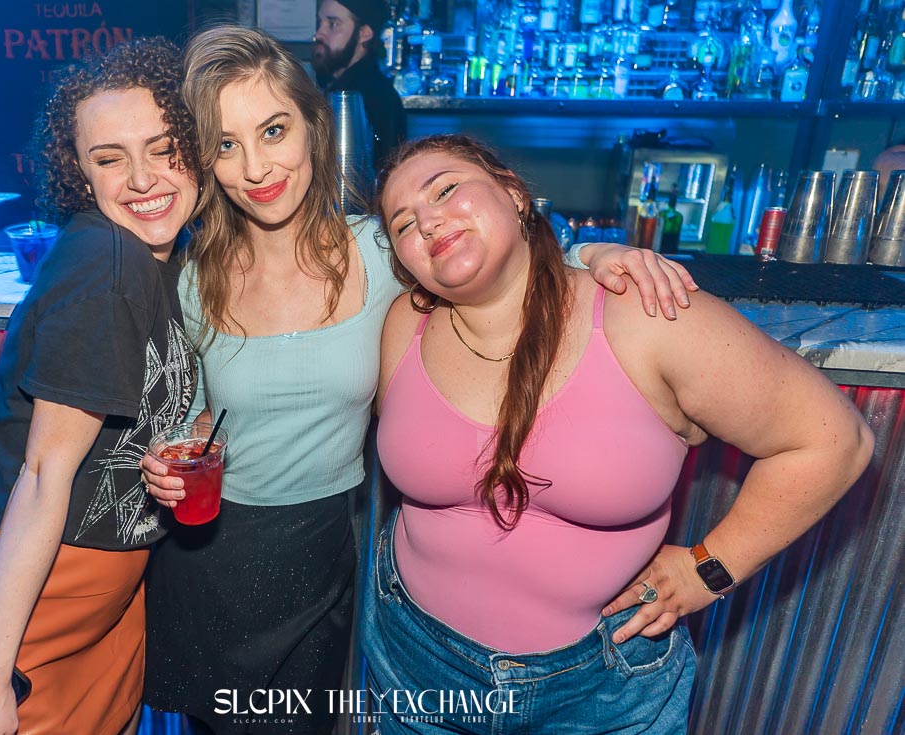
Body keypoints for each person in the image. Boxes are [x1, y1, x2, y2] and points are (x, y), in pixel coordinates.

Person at [140, 26, 699, 735]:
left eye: (273, 130)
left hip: (323, 550)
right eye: (226, 144)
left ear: (312, 127)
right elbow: (193, 413)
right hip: (213, 554)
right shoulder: (194, 278)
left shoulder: (382, 251)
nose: (256, 166)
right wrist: (169, 455)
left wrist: (594, 251)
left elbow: (500, 253)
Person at [362, 134, 875, 734]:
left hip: (600, 688)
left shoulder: (645, 315)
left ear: (513, 193)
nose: (428, 222)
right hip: (415, 659)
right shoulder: (404, 324)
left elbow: (833, 440)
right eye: (403, 224)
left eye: (446, 189)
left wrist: (708, 570)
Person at [0, 37, 201, 735]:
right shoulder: (107, 263)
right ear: (78, 171)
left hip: (106, 588)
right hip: (31, 592)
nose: (141, 178)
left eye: (164, 148)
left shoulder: (164, 254)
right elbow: (46, 472)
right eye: (110, 159)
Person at [312, 0, 407, 169]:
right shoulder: (338, 86)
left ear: (364, 33)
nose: (319, 34)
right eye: (320, 23)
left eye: (333, 24)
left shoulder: (368, 96)